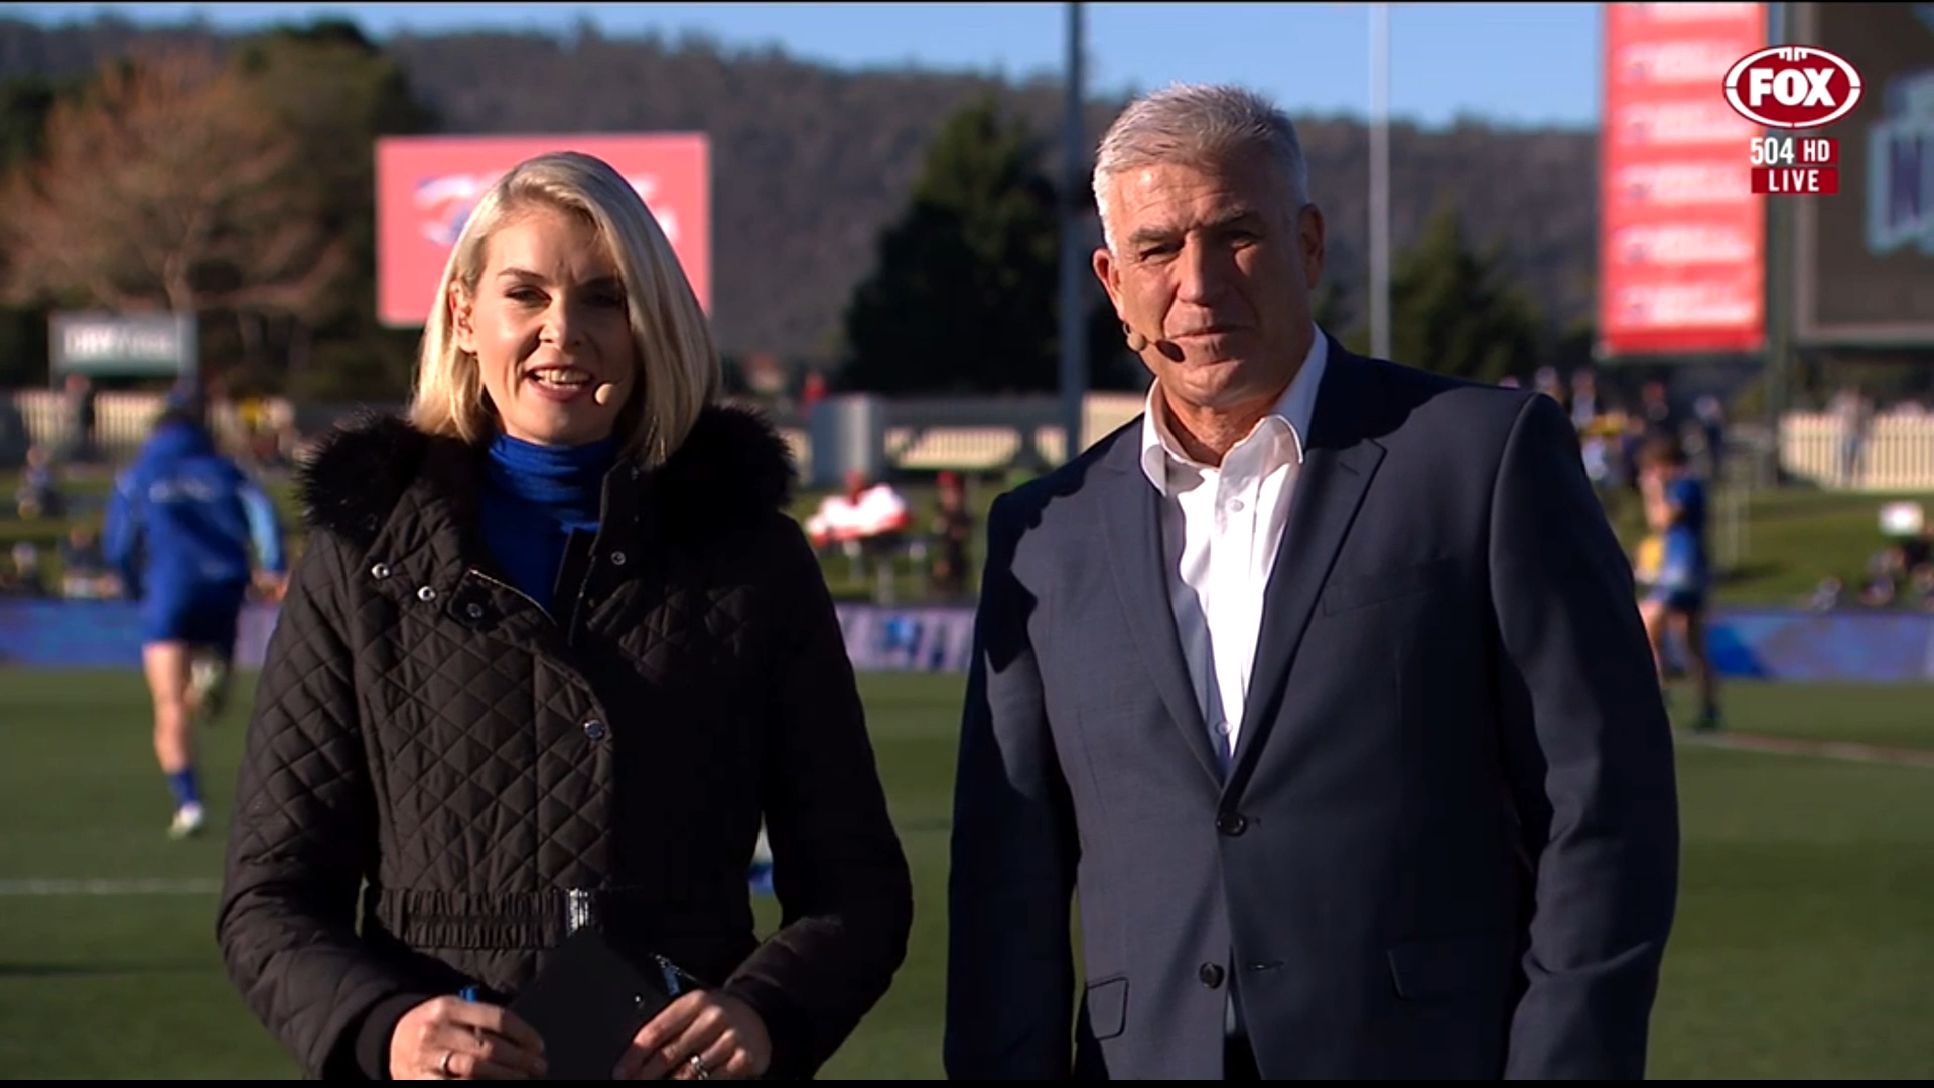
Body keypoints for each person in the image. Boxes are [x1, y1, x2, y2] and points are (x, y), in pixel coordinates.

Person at [945, 84, 1679, 1081]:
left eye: (1236, 236)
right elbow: (1007, 882)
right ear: (1113, 283)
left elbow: (1601, 806)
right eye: (1157, 251)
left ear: (1309, 244)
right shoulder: (1043, 532)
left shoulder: (1482, 457)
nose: (1198, 286)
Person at [215, 151, 912, 1082]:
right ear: (465, 316)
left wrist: (764, 1010)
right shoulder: (362, 560)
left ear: (650, 325)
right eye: (526, 295)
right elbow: (268, 898)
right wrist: (389, 1029)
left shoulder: (752, 558)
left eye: (603, 299)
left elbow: (857, 887)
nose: (563, 332)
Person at [103, 402, 287, 839]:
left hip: (170, 590)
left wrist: (132, 586)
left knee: (168, 704)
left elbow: (120, 545)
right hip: (224, 586)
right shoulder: (227, 471)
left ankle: (189, 803)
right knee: (207, 693)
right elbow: (263, 516)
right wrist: (273, 565)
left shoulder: (140, 475)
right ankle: (210, 674)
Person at [1636, 434, 1719, 731]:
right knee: (1690, 643)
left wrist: (1653, 492)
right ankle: (1709, 708)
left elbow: (1662, 520)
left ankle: (1660, 690)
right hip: (1682, 570)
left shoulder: (1685, 485)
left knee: (1647, 621)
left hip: (1684, 570)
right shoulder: (1682, 487)